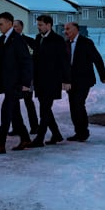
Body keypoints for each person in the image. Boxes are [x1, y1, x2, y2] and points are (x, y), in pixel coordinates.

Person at [0, 11, 33, 155]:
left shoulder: (17, 40)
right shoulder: (2, 40)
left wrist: (26, 82)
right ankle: (25, 138)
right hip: (7, 83)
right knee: (15, 113)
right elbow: (1, 63)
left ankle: (0, 145)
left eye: (1, 24)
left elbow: (26, 62)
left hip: (16, 83)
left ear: (10, 24)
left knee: (6, 113)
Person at [63, 21, 105, 142]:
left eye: (68, 29)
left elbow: (97, 59)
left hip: (84, 80)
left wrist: (103, 75)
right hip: (70, 81)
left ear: (76, 30)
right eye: (65, 29)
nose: (65, 31)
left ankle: (83, 131)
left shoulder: (86, 42)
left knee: (78, 104)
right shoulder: (66, 44)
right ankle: (78, 131)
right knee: (73, 106)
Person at [29, 14, 69, 146]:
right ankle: (56, 134)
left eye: (40, 25)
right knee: (45, 109)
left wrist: (66, 80)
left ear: (49, 25)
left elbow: (64, 61)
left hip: (52, 80)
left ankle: (39, 138)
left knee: (44, 109)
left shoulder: (57, 40)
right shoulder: (38, 38)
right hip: (40, 80)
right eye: (38, 25)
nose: (38, 27)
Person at [12, 18, 40, 134]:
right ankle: (17, 127)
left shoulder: (29, 40)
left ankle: (34, 126)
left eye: (16, 26)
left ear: (21, 27)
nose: (14, 29)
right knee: (13, 102)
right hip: (14, 76)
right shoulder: (9, 40)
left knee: (28, 101)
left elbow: (35, 57)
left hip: (27, 76)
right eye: (12, 27)